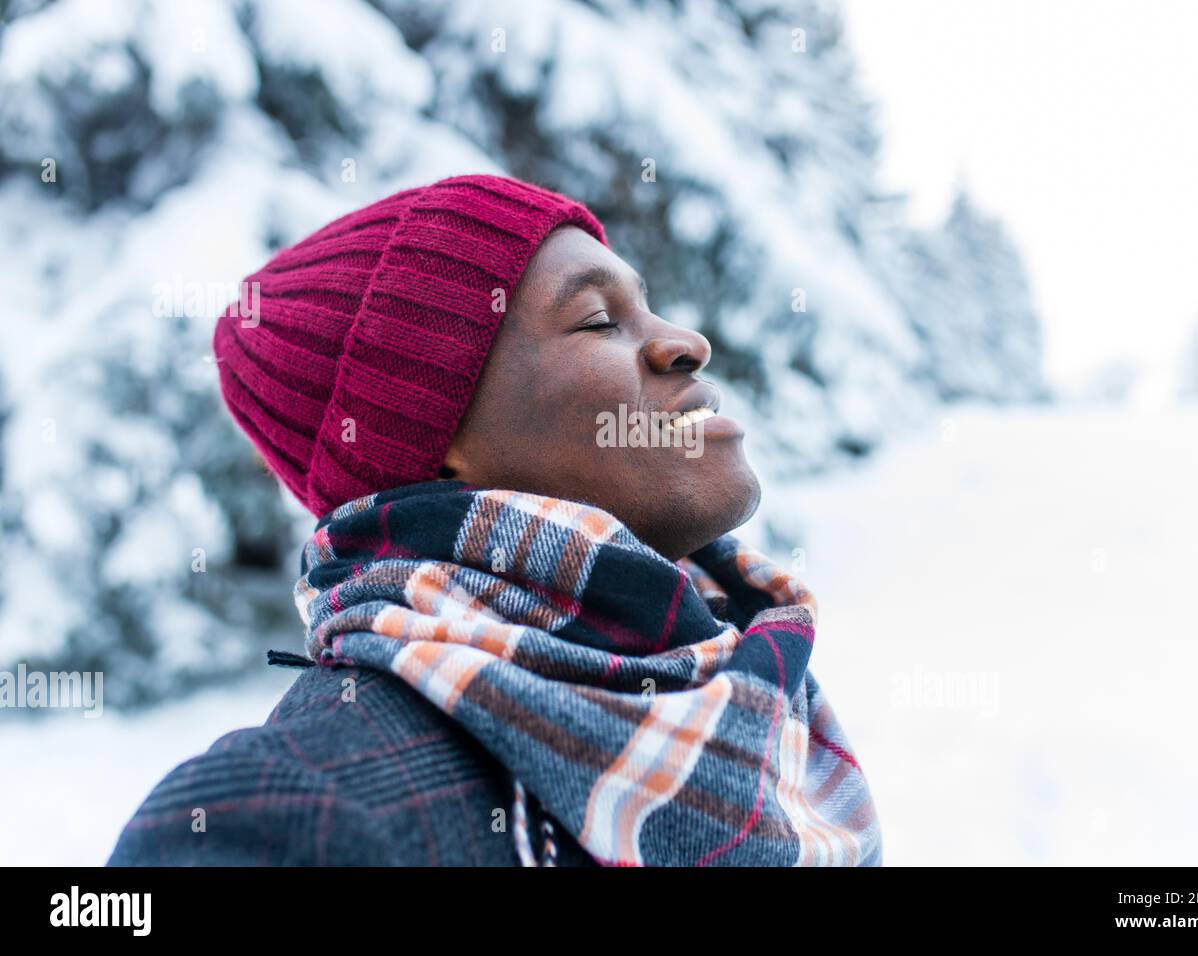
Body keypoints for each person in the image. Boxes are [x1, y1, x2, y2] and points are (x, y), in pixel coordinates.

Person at [107, 173, 881, 866]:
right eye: (596, 321)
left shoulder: (752, 699)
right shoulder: (288, 819)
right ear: (440, 451)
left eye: (645, 307)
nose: (686, 342)